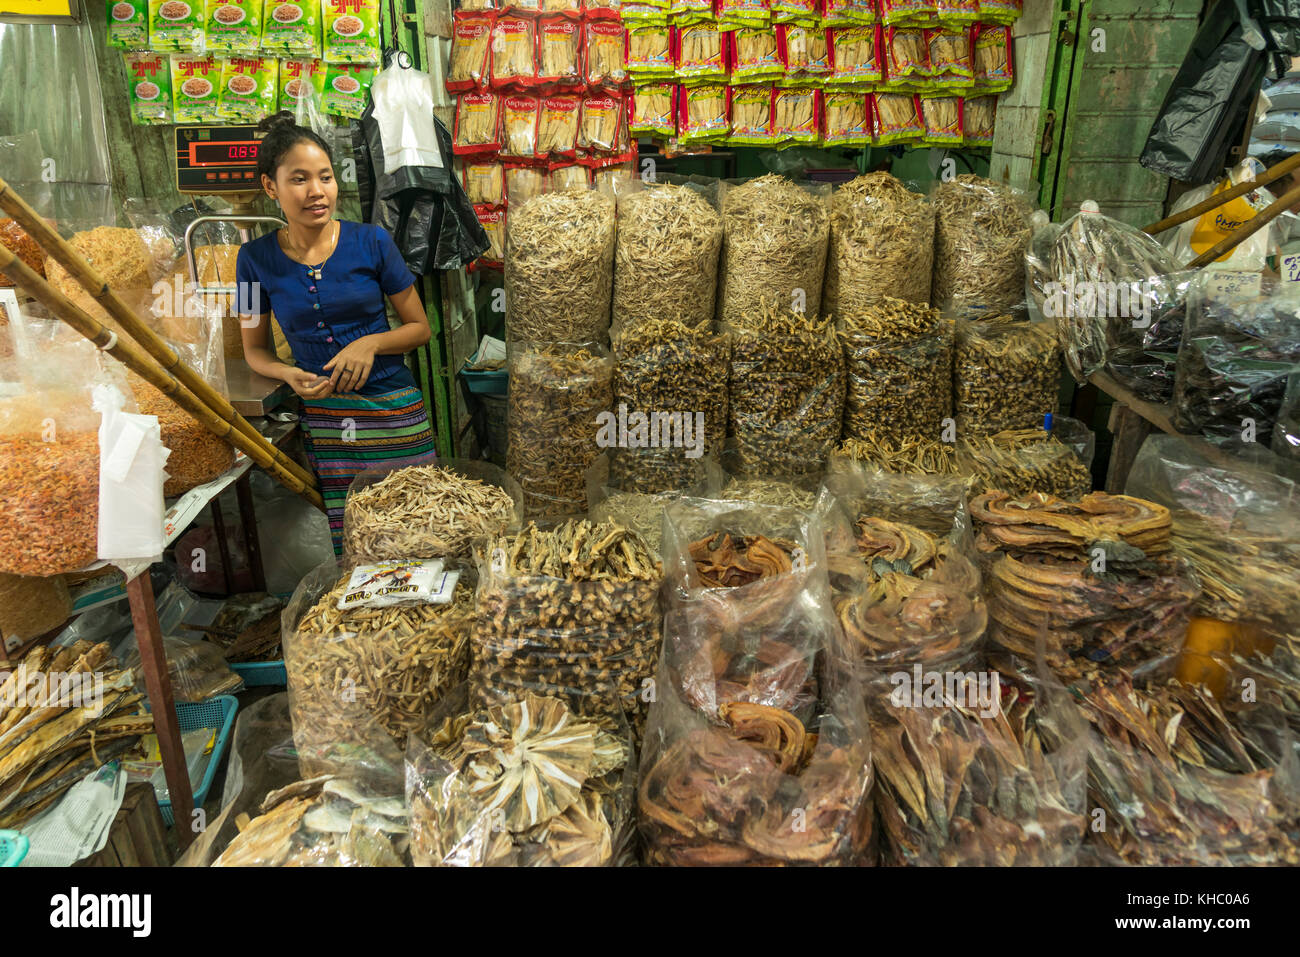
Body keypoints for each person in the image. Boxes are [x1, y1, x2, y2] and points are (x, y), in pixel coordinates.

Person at [235, 111, 437, 555]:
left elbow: (420, 328)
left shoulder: (373, 242)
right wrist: (287, 375)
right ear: (272, 187)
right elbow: (255, 351)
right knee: (361, 540)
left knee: (424, 529)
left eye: (325, 177)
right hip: (329, 421)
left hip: (394, 412)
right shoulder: (253, 260)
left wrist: (371, 343)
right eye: (299, 179)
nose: (316, 192)